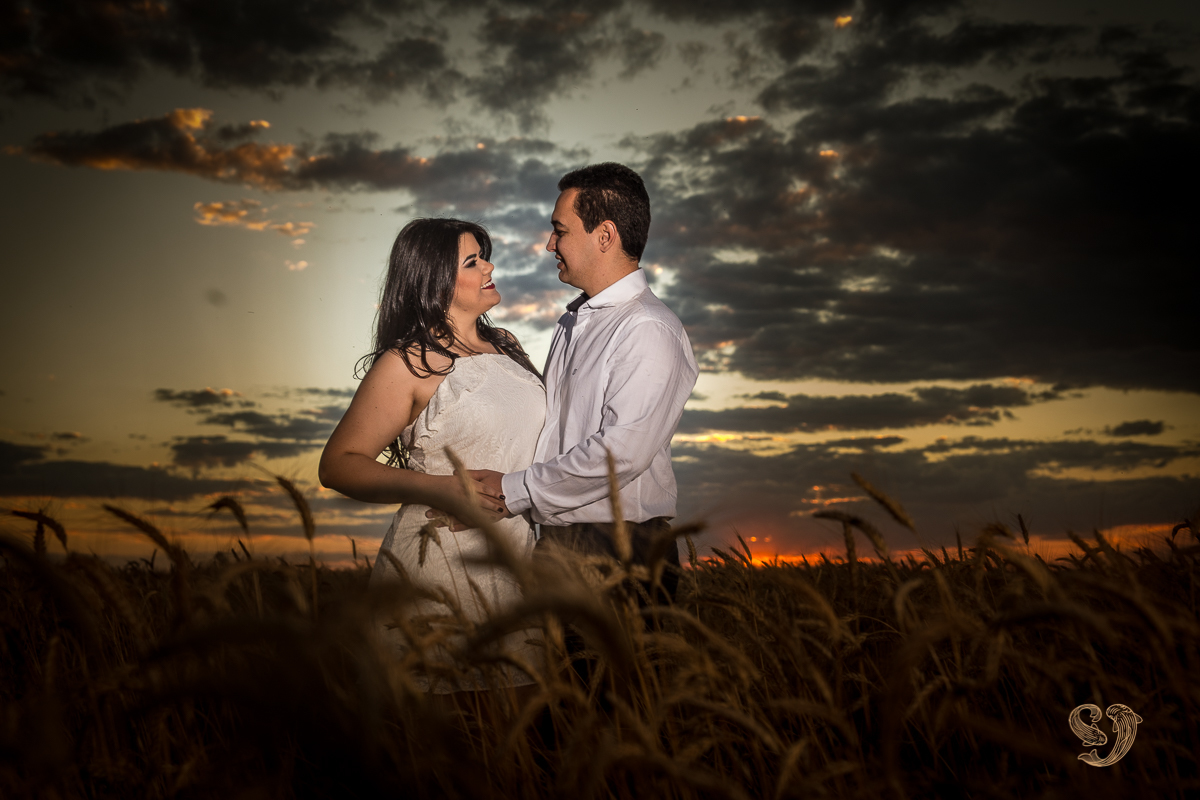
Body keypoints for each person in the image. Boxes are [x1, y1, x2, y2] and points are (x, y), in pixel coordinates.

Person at [436, 162, 699, 603]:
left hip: (620, 551)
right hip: (558, 542)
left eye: (560, 231)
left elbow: (621, 453)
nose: (549, 244)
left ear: (605, 235)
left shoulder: (648, 327)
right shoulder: (573, 321)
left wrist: (510, 489)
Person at [318, 217, 545, 694]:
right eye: (472, 261)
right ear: (435, 279)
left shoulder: (506, 346)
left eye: (484, 257)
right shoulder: (408, 362)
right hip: (440, 567)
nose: (489, 267)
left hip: (515, 564)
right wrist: (443, 487)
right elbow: (339, 463)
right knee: (451, 720)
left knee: (523, 726)